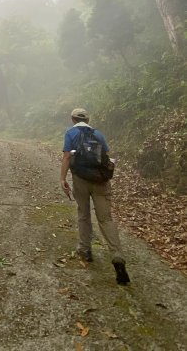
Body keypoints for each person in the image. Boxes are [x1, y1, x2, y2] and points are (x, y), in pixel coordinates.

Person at [60, 107, 130, 285]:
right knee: (106, 219)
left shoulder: (71, 134)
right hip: (100, 181)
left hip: (80, 180)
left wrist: (62, 178)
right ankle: (117, 257)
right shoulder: (98, 134)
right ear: (88, 120)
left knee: (83, 214)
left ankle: (85, 250)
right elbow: (105, 157)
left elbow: (67, 157)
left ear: (73, 119)